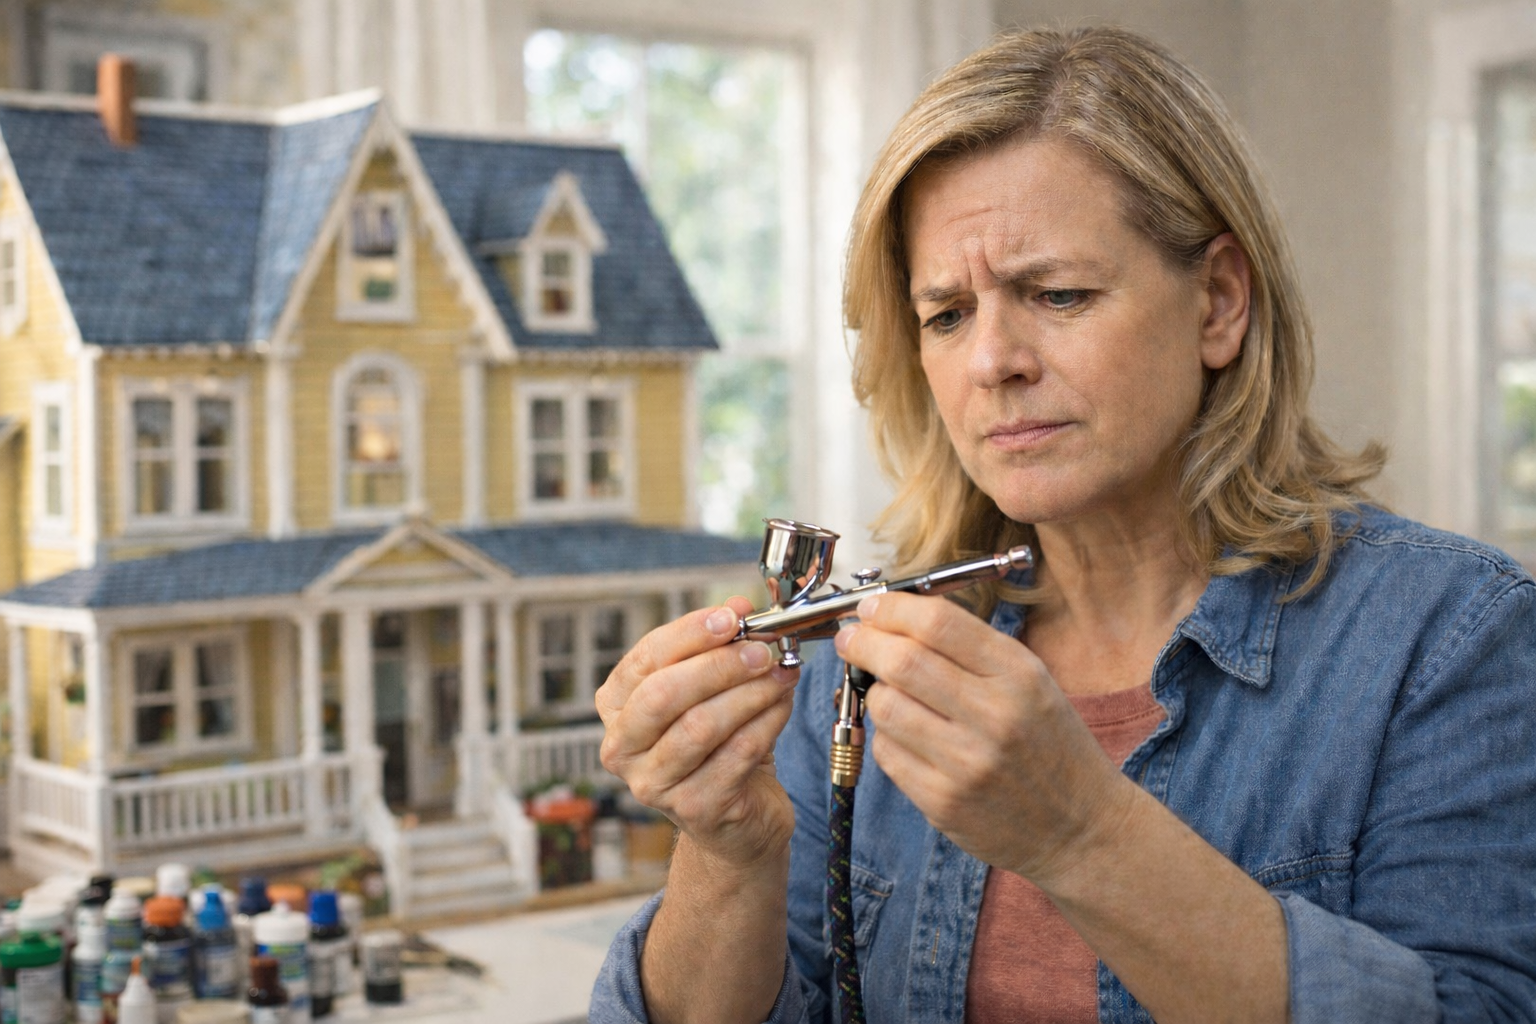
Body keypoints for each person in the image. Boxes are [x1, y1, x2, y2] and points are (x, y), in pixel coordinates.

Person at [589, 25, 1536, 1024]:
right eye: (946, 314)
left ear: (1219, 302)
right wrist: (728, 847)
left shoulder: (1451, 640)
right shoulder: (853, 665)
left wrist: (1083, 834)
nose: (993, 359)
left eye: (1057, 293)